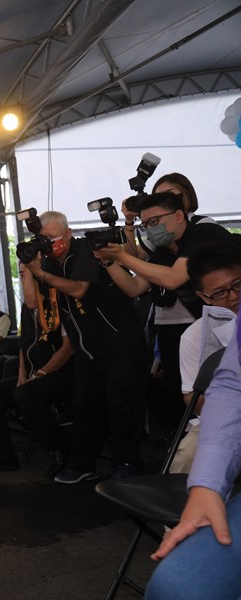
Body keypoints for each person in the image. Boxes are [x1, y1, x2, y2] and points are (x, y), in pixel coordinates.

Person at [98, 191, 241, 433]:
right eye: (145, 225)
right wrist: (108, 261)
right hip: (217, 326)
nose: (151, 229)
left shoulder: (204, 233)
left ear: (178, 215)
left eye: (155, 221)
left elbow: (174, 279)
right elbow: (134, 288)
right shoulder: (164, 253)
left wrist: (121, 254)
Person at [24, 210, 147, 483]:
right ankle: (83, 464)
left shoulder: (84, 249)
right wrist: (31, 270)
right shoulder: (48, 261)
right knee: (83, 406)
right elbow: (33, 304)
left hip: (119, 341)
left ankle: (126, 462)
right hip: (86, 347)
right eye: (43, 239)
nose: (49, 244)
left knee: (122, 406)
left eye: (52, 238)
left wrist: (40, 273)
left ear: (67, 233)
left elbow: (78, 289)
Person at [146, 313, 241, 600]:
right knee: (177, 586)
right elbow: (234, 384)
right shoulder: (194, 334)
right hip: (215, 435)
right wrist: (207, 485)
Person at [0, 268, 74, 476]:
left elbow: (68, 348)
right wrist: (22, 374)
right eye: (20, 273)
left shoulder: (60, 302)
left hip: (62, 374)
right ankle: (4, 457)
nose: (23, 277)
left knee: (25, 394)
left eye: (27, 272)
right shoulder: (27, 309)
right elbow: (24, 346)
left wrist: (40, 374)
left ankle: (59, 446)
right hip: (34, 373)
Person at [169, 246, 241, 474]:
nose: (233, 297)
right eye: (219, 293)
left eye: (238, 285)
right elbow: (192, 398)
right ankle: (185, 508)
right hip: (223, 420)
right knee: (189, 454)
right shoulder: (194, 336)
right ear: (202, 297)